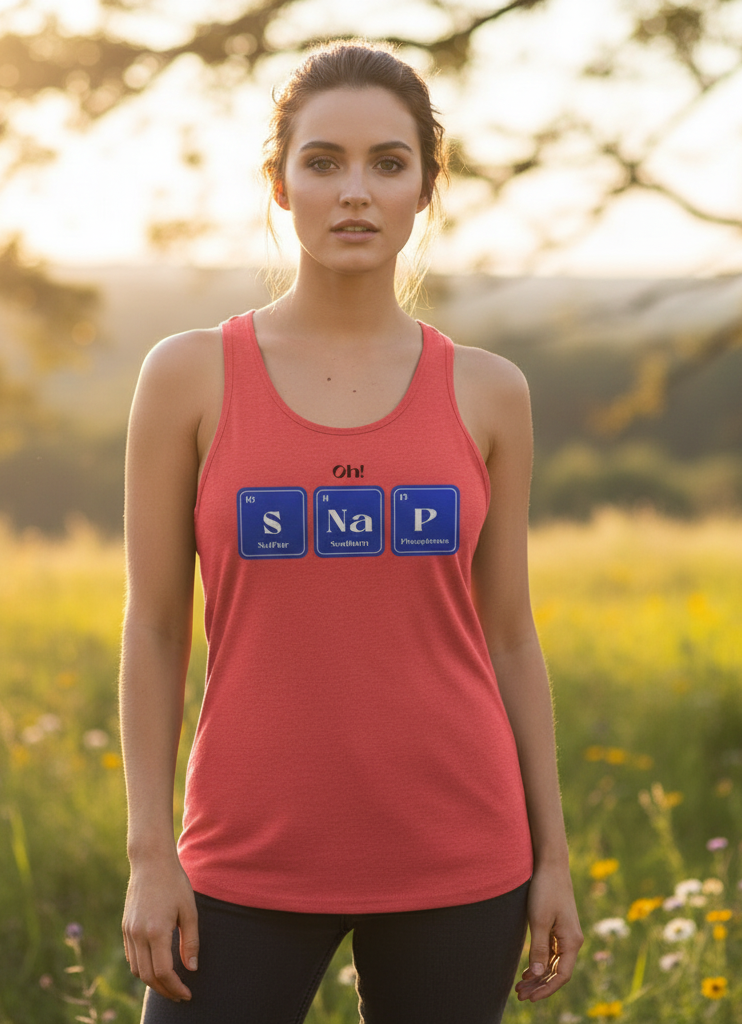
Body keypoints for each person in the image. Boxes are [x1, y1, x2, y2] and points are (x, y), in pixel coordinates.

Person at [118, 40, 583, 1024]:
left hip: (461, 853)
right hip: (244, 855)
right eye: (322, 162)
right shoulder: (188, 375)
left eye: (388, 163)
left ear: (425, 187)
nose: (354, 193)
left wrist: (551, 858)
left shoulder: (491, 392)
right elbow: (156, 628)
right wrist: (150, 855)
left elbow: (508, 636)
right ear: (279, 187)